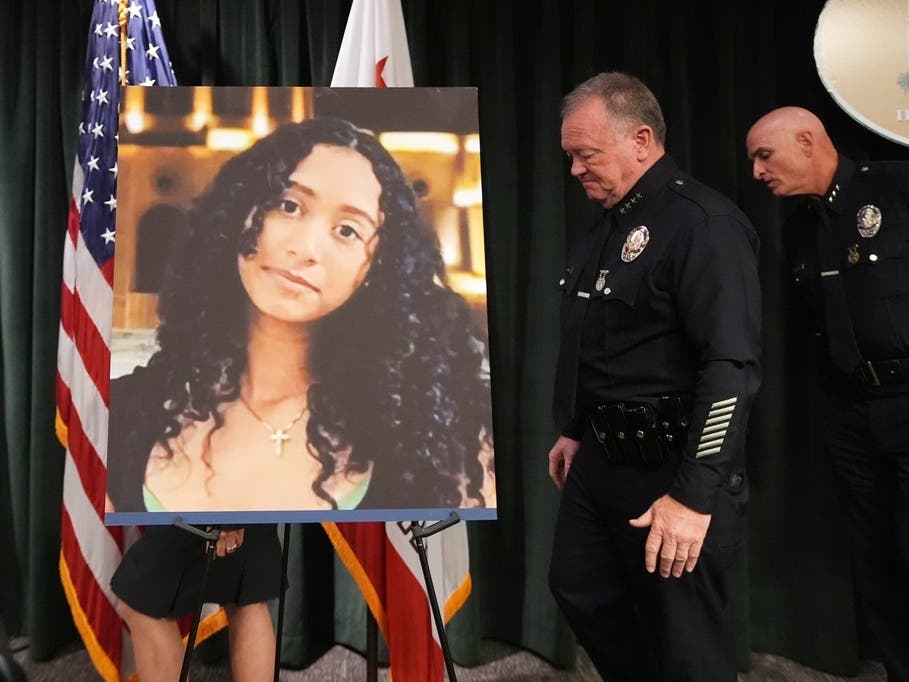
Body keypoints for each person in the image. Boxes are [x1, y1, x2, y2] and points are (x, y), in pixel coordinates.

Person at [107, 117, 494, 681]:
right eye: (289, 205)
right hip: (185, 514)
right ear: (242, 210)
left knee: (245, 599)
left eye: (348, 230)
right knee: (229, 598)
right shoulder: (140, 401)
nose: (304, 248)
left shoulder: (429, 433)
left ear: (375, 266)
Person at [548, 72, 761, 681]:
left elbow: (731, 366)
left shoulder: (703, 225)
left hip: (674, 466)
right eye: (570, 157)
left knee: (686, 643)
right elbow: (605, 348)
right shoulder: (602, 228)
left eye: (585, 155)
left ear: (641, 139)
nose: (575, 171)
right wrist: (575, 427)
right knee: (579, 588)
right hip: (601, 460)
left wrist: (694, 498)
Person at [747, 106, 909, 681]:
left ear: (809, 141)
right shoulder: (798, 229)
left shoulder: (894, 186)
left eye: (765, 156)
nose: (758, 172)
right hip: (851, 414)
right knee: (876, 565)